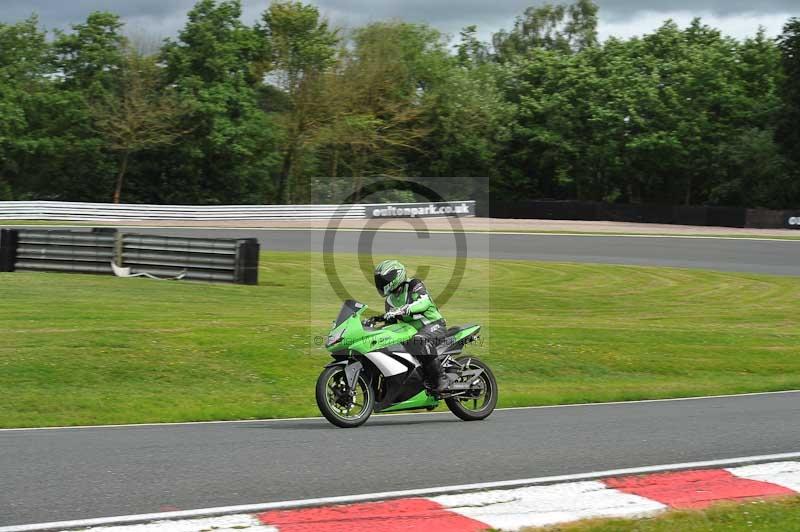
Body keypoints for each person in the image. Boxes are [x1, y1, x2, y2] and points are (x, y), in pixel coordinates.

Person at [373, 259, 449, 392]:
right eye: (379, 281)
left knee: (418, 340)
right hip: (412, 332)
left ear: (396, 276)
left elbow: (423, 302)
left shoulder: (414, 284)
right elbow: (390, 326)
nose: (381, 284)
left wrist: (405, 309)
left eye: (384, 280)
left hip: (434, 325)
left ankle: (440, 378)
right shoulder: (390, 300)